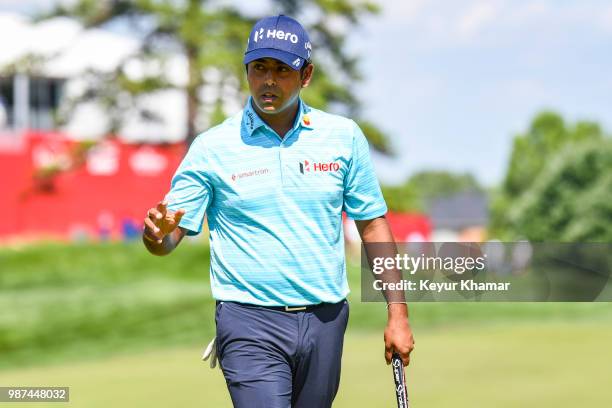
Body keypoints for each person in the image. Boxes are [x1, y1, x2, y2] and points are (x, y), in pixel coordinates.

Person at [143, 14, 414, 408]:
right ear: (247, 71)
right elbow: (169, 236)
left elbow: (372, 226)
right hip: (249, 321)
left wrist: (398, 313)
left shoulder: (342, 137)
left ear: (306, 75)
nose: (268, 80)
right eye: (259, 68)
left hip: (326, 320)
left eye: (282, 70)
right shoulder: (212, 147)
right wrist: (155, 236)